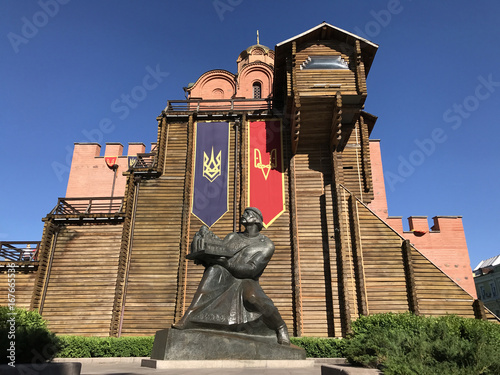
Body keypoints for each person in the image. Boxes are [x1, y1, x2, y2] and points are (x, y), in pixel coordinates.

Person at [173, 207, 290, 345]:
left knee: (253, 298)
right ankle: (188, 318)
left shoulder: (266, 245)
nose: (243, 215)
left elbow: (251, 270)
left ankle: (280, 326)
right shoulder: (232, 237)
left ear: (257, 219)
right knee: (213, 271)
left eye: (248, 213)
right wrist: (203, 253)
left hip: (246, 279)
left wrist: (226, 264)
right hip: (227, 274)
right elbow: (220, 252)